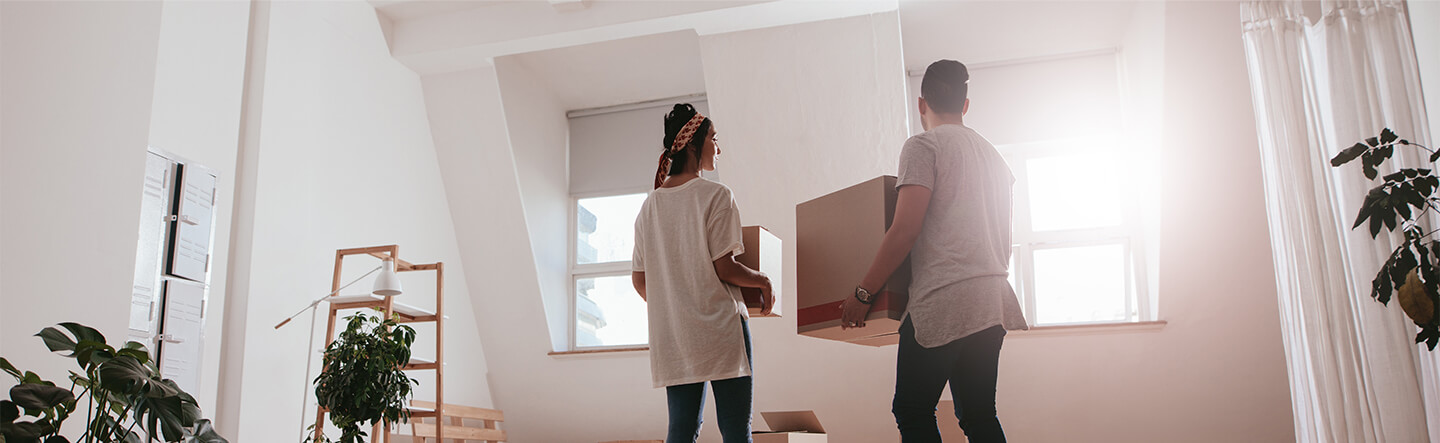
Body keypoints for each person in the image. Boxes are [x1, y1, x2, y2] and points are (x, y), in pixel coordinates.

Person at [839, 60, 1028, 443]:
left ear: (921, 103)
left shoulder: (924, 146)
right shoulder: (996, 160)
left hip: (943, 300)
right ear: (966, 104)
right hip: (991, 300)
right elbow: (1003, 242)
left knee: (912, 410)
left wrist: (863, 293)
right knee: (978, 415)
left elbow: (905, 230)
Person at [632, 103, 775, 443]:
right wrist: (763, 280)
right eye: (714, 138)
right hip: (720, 330)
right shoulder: (716, 195)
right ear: (694, 145)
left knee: (681, 431)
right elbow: (724, 267)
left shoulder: (649, 205)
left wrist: (677, 303)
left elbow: (640, 281)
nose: (718, 147)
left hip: (675, 337)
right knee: (736, 430)